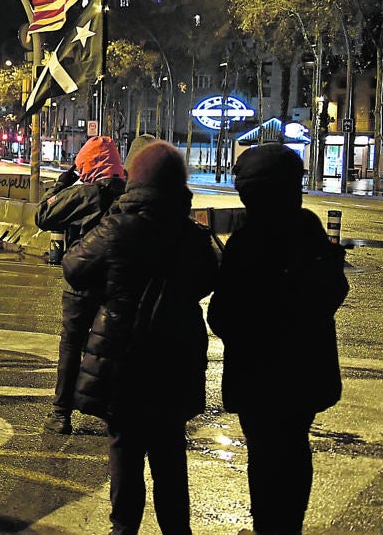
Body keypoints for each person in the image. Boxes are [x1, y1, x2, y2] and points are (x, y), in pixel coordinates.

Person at [62, 141, 218, 535]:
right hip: (176, 356)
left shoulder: (118, 226)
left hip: (123, 354)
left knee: (125, 448)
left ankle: (124, 528)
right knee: (170, 453)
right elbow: (209, 277)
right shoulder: (192, 235)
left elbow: (74, 266)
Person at [208, 144, 348, 534]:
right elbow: (333, 292)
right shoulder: (314, 239)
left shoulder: (247, 245)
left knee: (265, 455)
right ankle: (290, 525)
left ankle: (269, 525)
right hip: (305, 375)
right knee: (295, 448)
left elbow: (222, 316)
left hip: (258, 378)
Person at [33, 135, 127, 434]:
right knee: (112, 345)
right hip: (118, 285)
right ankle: (111, 409)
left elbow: (43, 215)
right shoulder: (128, 194)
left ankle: (61, 413)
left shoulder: (88, 194)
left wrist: (64, 181)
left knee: (72, 344)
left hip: (83, 281)